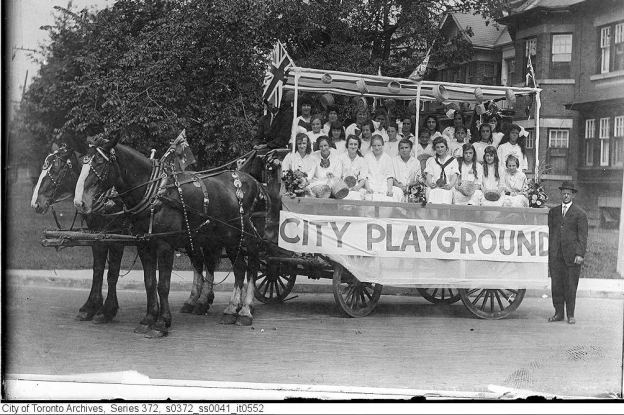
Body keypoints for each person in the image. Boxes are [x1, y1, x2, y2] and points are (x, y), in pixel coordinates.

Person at [548, 181, 588, 325]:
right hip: (556, 256)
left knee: (570, 286)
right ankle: (558, 313)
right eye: (563, 193)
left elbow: (583, 237)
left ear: (573, 195)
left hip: (572, 257)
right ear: (561, 194)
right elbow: (551, 234)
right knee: (556, 285)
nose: (565, 195)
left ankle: (570, 315)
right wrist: (551, 254)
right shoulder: (553, 212)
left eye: (568, 193)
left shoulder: (580, 214)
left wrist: (580, 254)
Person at [363, 135, 403, 202]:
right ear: (371, 146)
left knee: (398, 192)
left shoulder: (387, 158)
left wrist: (389, 190)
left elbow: (389, 176)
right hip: (370, 186)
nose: (377, 148)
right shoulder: (366, 157)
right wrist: (368, 188)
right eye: (374, 145)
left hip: (384, 187)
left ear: (383, 145)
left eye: (379, 145)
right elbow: (364, 176)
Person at [424, 136, 459, 204]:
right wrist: (431, 183)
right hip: (434, 187)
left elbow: (455, 175)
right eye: (437, 147)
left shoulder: (453, 160)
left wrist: (450, 185)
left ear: (446, 147)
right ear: (435, 149)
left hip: (447, 187)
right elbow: (429, 174)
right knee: (431, 192)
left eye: (442, 146)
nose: (440, 149)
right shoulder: (432, 160)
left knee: (446, 194)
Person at [340, 135, 367, 200]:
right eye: (351, 144)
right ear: (347, 145)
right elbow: (338, 175)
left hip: (356, 187)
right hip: (342, 186)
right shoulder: (341, 158)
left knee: (357, 196)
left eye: (355, 144)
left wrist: (357, 187)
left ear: (358, 146)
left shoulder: (362, 160)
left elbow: (363, 178)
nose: (353, 146)